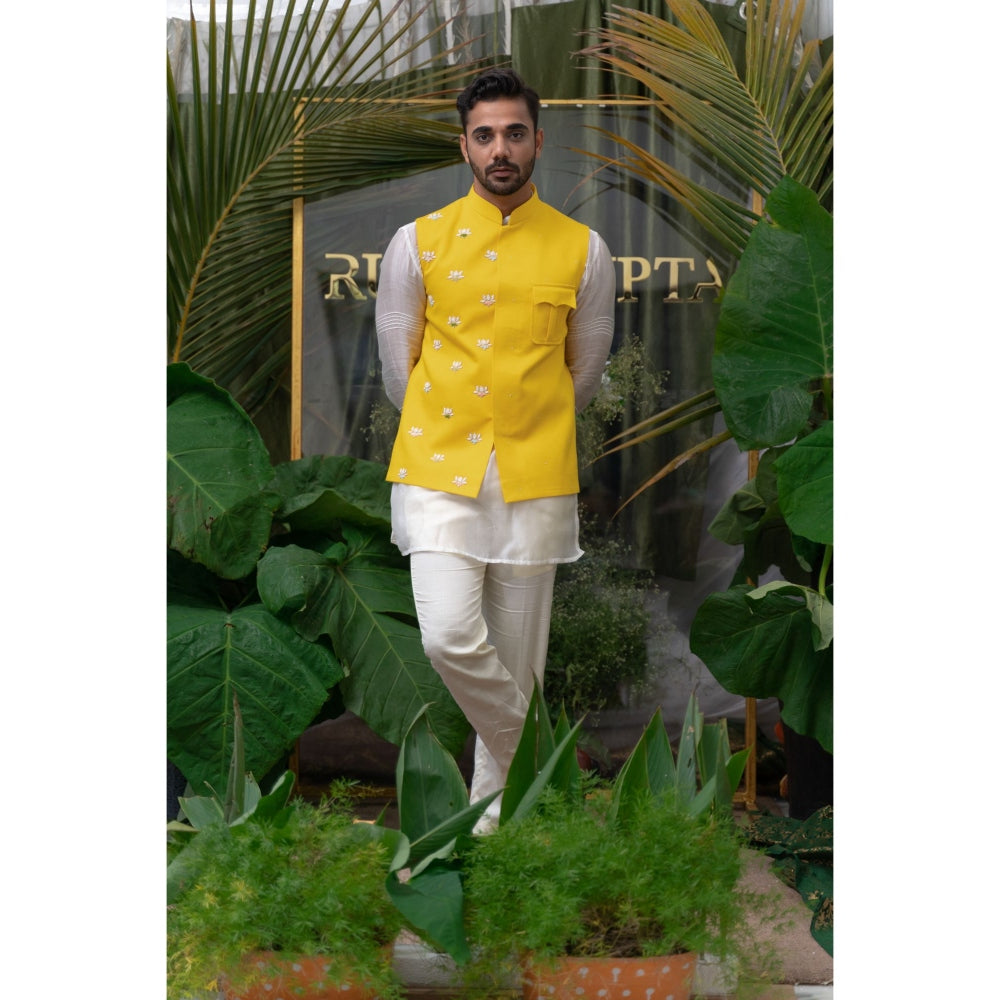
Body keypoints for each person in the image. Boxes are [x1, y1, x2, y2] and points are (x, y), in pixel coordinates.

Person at [375, 68, 615, 832]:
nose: (500, 149)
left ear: (538, 140)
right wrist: (457, 423)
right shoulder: (417, 243)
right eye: (485, 135)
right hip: (437, 471)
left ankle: (494, 838)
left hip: (534, 475)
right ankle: (548, 762)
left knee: (517, 667)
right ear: (465, 147)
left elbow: (585, 371)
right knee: (449, 634)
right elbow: (398, 370)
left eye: (514, 133)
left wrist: (527, 422)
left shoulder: (583, 249)